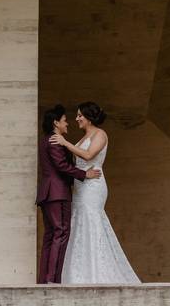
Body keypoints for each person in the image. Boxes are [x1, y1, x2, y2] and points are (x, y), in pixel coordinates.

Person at [49, 101, 140, 284]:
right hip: (81, 186)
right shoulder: (82, 138)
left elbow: (89, 155)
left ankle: (97, 272)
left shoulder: (100, 134)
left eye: (80, 115)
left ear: (89, 117)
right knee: (79, 223)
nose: (77, 119)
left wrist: (65, 143)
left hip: (94, 185)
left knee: (91, 220)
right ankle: (78, 274)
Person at [37, 104, 102, 284]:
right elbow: (62, 166)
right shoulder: (55, 141)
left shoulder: (45, 139)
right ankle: (53, 280)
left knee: (51, 235)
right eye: (65, 120)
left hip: (47, 193)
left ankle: (44, 279)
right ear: (56, 122)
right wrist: (84, 174)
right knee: (61, 232)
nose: (68, 123)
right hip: (58, 193)